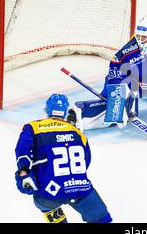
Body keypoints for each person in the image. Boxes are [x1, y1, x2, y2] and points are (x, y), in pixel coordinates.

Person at [14, 94, 112, 223]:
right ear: (65, 112)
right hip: (81, 188)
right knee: (102, 219)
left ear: (47, 110)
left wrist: (24, 171)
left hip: (50, 191)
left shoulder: (33, 127)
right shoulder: (77, 132)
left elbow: (23, 151)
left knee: (44, 202)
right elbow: (86, 160)